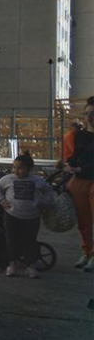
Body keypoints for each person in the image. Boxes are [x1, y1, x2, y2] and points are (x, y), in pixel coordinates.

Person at [0, 151, 54, 278]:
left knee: (30, 241)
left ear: (29, 169)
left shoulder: (37, 181)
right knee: (11, 240)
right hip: (11, 215)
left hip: (32, 216)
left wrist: (44, 203)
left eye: (20, 168)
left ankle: (30, 265)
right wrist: (1, 200)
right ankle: (12, 264)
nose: (16, 170)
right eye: (14, 167)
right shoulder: (7, 179)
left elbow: (48, 191)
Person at [63, 97, 94, 272]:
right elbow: (74, 156)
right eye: (87, 114)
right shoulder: (79, 136)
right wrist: (68, 164)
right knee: (83, 221)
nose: (90, 117)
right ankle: (87, 252)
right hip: (80, 180)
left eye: (93, 114)